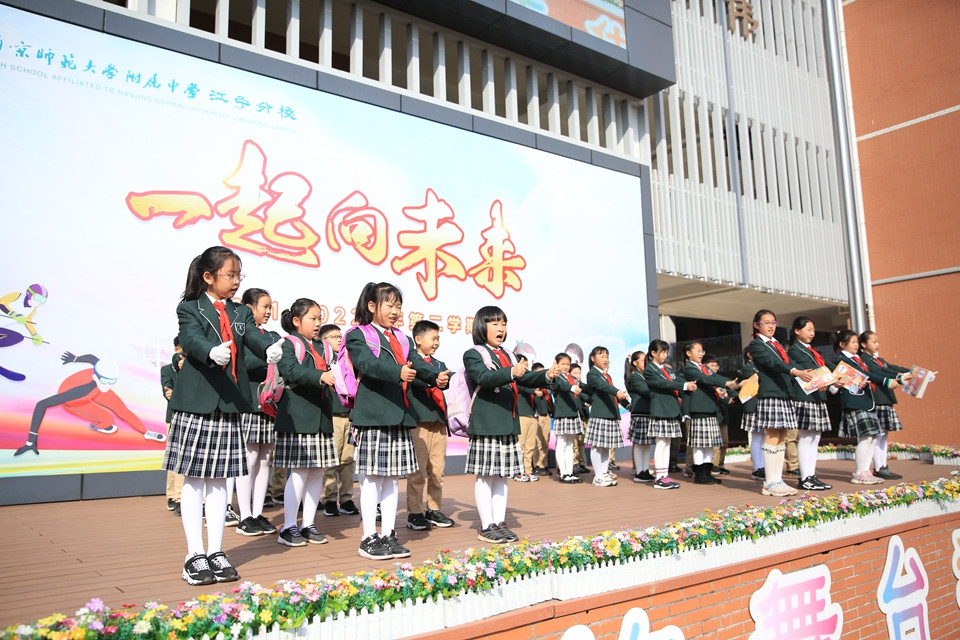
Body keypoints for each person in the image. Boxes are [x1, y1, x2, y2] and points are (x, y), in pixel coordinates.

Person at [162, 245, 283, 585]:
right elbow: (191, 339)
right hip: (196, 403)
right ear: (208, 276)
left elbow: (254, 337)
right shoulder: (190, 308)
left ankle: (216, 551)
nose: (236, 281)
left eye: (238, 275)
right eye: (230, 275)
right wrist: (209, 350)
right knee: (193, 480)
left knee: (218, 482)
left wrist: (270, 349)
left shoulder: (240, 311)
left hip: (229, 403)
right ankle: (194, 554)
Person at [347, 282, 446, 560]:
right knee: (371, 479)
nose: (395, 311)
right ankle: (368, 537)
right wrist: (398, 372)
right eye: (389, 305)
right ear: (371, 306)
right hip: (372, 416)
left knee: (391, 479)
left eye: (398, 306)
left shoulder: (401, 338)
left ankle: (389, 534)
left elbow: (418, 363)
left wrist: (435, 377)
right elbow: (367, 364)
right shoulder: (358, 335)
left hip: (399, 415)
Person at [465, 305, 558, 543]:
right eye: (495, 323)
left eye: (503, 324)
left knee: (502, 476)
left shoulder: (508, 354)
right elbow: (483, 378)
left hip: (507, 422)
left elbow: (525, 378)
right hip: (486, 424)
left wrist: (546, 375)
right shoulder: (474, 353)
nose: (501, 328)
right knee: (485, 476)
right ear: (481, 326)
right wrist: (510, 372)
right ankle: (486, 525)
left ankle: (499, 522)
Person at [273, 299, 339, 546]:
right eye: (312, 318)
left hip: (321, 415)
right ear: (296, 321)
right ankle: (288, 526)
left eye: (319, 318)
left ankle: (308, 524)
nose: (317, 323)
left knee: (317, 472)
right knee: (299, 472)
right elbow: (291, 371)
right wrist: (321, 376)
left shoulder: (324, 347)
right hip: (298, 416)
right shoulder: (288, 344)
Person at [14, 352, 167, 456]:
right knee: (107, 420)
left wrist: (75, 358)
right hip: (76, 400)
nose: (109, 385)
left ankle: (146, 433)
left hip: (96, 390)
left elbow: (91, 358)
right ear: (96, 377)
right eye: (106, 381)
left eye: (112, 381)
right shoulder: (80, 391)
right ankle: (97, 424)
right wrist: (31, 440)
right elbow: (41, 404)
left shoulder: (102, 372)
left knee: (122, 410)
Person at [746, 309, 814, 498]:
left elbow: (790, 364)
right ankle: (770, 482)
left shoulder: (777, 345)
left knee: (782, 436)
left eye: (773, 323)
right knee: (772, 435)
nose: (771, 326)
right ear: (756, 325)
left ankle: (777, 480)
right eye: (766, 322)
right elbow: (773, 363)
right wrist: (795, 371)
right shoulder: (756, 345)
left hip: (784, 393)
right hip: (770, 394)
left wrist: (816, 379)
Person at [234, 288, 281, 537]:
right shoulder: (241, 333)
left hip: (269, 404)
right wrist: (270, 357)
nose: (268, 311)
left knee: (264, 459)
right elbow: (244, 362)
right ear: (249, 307)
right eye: (264, 306)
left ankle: (257, 511)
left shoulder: (271, 335)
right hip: (250, 402)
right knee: (249, 458)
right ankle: (244, 515)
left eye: (270, 306)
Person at [405, 319, 455, 531]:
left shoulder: (440, 364)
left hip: (438, 422)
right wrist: (435, 378)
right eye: (432, 338)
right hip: (419, 422)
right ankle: (414, 513)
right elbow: (421, 374)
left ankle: (434, 509)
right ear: (418, 339)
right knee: (418, 471)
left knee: (437, 470)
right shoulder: (411, 360)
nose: (436, 342)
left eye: (438, 338)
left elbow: (448, 381)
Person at [834, 330, 900, 485]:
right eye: (853, 342)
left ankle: (866, 471)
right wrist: (886, 381)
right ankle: (859, 473)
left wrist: (898, 378)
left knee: (873, 437)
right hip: (855, 402)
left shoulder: (857, 359)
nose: (856, 345)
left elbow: (870, 373)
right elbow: (865, 374)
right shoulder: (843, 360)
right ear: (842, 344)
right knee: (865, 437)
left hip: (866, 401)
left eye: (857, 342)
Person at [680, 342, 739, 485]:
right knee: (699, 444)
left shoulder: (704, 368)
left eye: (702, 351)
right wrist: (727, 383)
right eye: (698, 351)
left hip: (711, 408)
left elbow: (714, 377)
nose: (701, 354)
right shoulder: (689, 368)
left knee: (709, 444)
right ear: (689, 353)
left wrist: (729, 384)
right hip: (699, 409)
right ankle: (700, 474)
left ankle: (707, 473)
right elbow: (705, 379)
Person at [787, 317, 835, 491]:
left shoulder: (812, 351)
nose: (812, 333)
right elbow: (805, 372)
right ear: (797, 331)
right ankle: (805, 477)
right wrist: (822, 379)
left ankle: (811, 475)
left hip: (816, 397)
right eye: (808, 329)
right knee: (806, 437)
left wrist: (834, 379)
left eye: (813, 330)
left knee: (815, 438)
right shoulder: (795, 350)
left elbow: (823, 369)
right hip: (805, 397)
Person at [858, 330, 912, 480]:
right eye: (874, 341)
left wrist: (913, 372)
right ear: (864, 344)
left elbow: (892, 367)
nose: (877, 344)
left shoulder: (878, 359)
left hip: (885, 399)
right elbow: (881, 371)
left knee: (884, 435)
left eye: (878, 341)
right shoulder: (865, 359)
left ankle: (883, 465)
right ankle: (879, 467)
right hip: (877, 399)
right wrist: (900, 376)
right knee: (878, 434)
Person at [643, 340, 695, 490]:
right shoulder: (649, 370)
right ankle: (659, 477)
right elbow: (663, 384)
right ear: (653, 353)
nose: (666, 355)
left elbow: (677, 380)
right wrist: (684, 385)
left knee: (667, 444)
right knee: (661, 443)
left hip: (671, 410)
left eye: (667, 352)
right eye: (663, 352)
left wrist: (689, 383)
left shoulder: (667, 369)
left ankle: (664, 475)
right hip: (660, 410)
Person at [320, 324, 359, 517]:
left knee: (348, 460)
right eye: (333, 337)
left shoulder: (349, 359)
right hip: (333, 415)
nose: (338, 339)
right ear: (323, 341)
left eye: (339, 336)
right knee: (332, 459)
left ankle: (346, 499)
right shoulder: (323, 360)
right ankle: (329, 499)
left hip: (349, 416)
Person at [585, 346, 629, 487]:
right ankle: (598, 476)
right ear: (593, 358)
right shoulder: (592, 374)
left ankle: (604, 473)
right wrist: (617, 392)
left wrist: (627, 405)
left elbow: (612, 393)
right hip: (599, 414)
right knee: (597, 446)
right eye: (602, 356)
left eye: (607, 357)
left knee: (606, 447)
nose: (605, 359)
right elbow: (604, 387)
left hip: (610, 414)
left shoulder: (607, 375)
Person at [0, 283, 48, 381]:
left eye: (43, 300)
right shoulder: (17, 296)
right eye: (38, 297)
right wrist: (12, 313)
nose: (39, 302)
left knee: (17, 337)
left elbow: (28, 320)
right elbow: (1, 303)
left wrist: (34, 334)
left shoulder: (33, 309)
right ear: (29, 294)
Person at [551, 352, 583, 484]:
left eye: (568, 364)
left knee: (570, 445)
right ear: (556, 364)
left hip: (572, 413)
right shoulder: (556, 377)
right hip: (562, 414)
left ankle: (569, 472)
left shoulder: (572, 378)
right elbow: (560, 386)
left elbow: (581, 391)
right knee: (562, 443)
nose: (565, 366)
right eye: (562, 364)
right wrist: (572, 387)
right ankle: (563, 473)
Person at [624, 350, 654, 483]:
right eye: (643, 360)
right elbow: (645, 391)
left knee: (646, 444)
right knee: (639, 444)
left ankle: (645, 470)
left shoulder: (644, 376)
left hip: (648, 412)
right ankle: (639, 471)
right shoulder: (635, 377)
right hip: (640, 412)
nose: (647, 362)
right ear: (635, 363)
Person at [162, 342, 184, 515]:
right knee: (174, 458)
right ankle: (175, 497)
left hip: (191, 416)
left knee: (182, 458)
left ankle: (178, 496)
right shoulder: (167, 370)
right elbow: (168, 393)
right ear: (177, 349)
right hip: (174, 416)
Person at [514, 354, 541, 483]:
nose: (526, 367)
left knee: (530, 445)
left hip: (532, 414)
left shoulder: (529, 379)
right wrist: (532, 391)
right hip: (522, 415)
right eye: (523, 364)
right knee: (521, 445)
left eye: (527, 364)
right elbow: (519, 386)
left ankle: (528, 471)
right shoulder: (515, 379)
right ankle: (519, 472)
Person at [703, 354, 732, 475]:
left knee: (724, 441)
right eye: (711, 365)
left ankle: (721, 464)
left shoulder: (721, 380)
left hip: (722, 414)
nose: (714, 368)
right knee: (715, 442)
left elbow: (731, 393)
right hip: (712, 414)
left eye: (716, 366)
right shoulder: (705, 379)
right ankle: (714, 465)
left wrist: (728, 397)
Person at [531, 365, 554, 476]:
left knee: (545, 441)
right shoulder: (532, 386)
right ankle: (536, 465)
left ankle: (543, 465)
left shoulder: (547, 386)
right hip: (537, 416)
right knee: (537, 443)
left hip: (546, 415)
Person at [570, 362, 590, 475]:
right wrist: (587, 400)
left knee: (582, 442)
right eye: (575, 373)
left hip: (584, 416)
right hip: (574, 416)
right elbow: (581, 396)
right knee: (575, 443)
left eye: (579, 373)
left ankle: (582, 463)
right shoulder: (571, 386)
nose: (578, 375)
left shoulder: (582, 386)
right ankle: (574, 463)